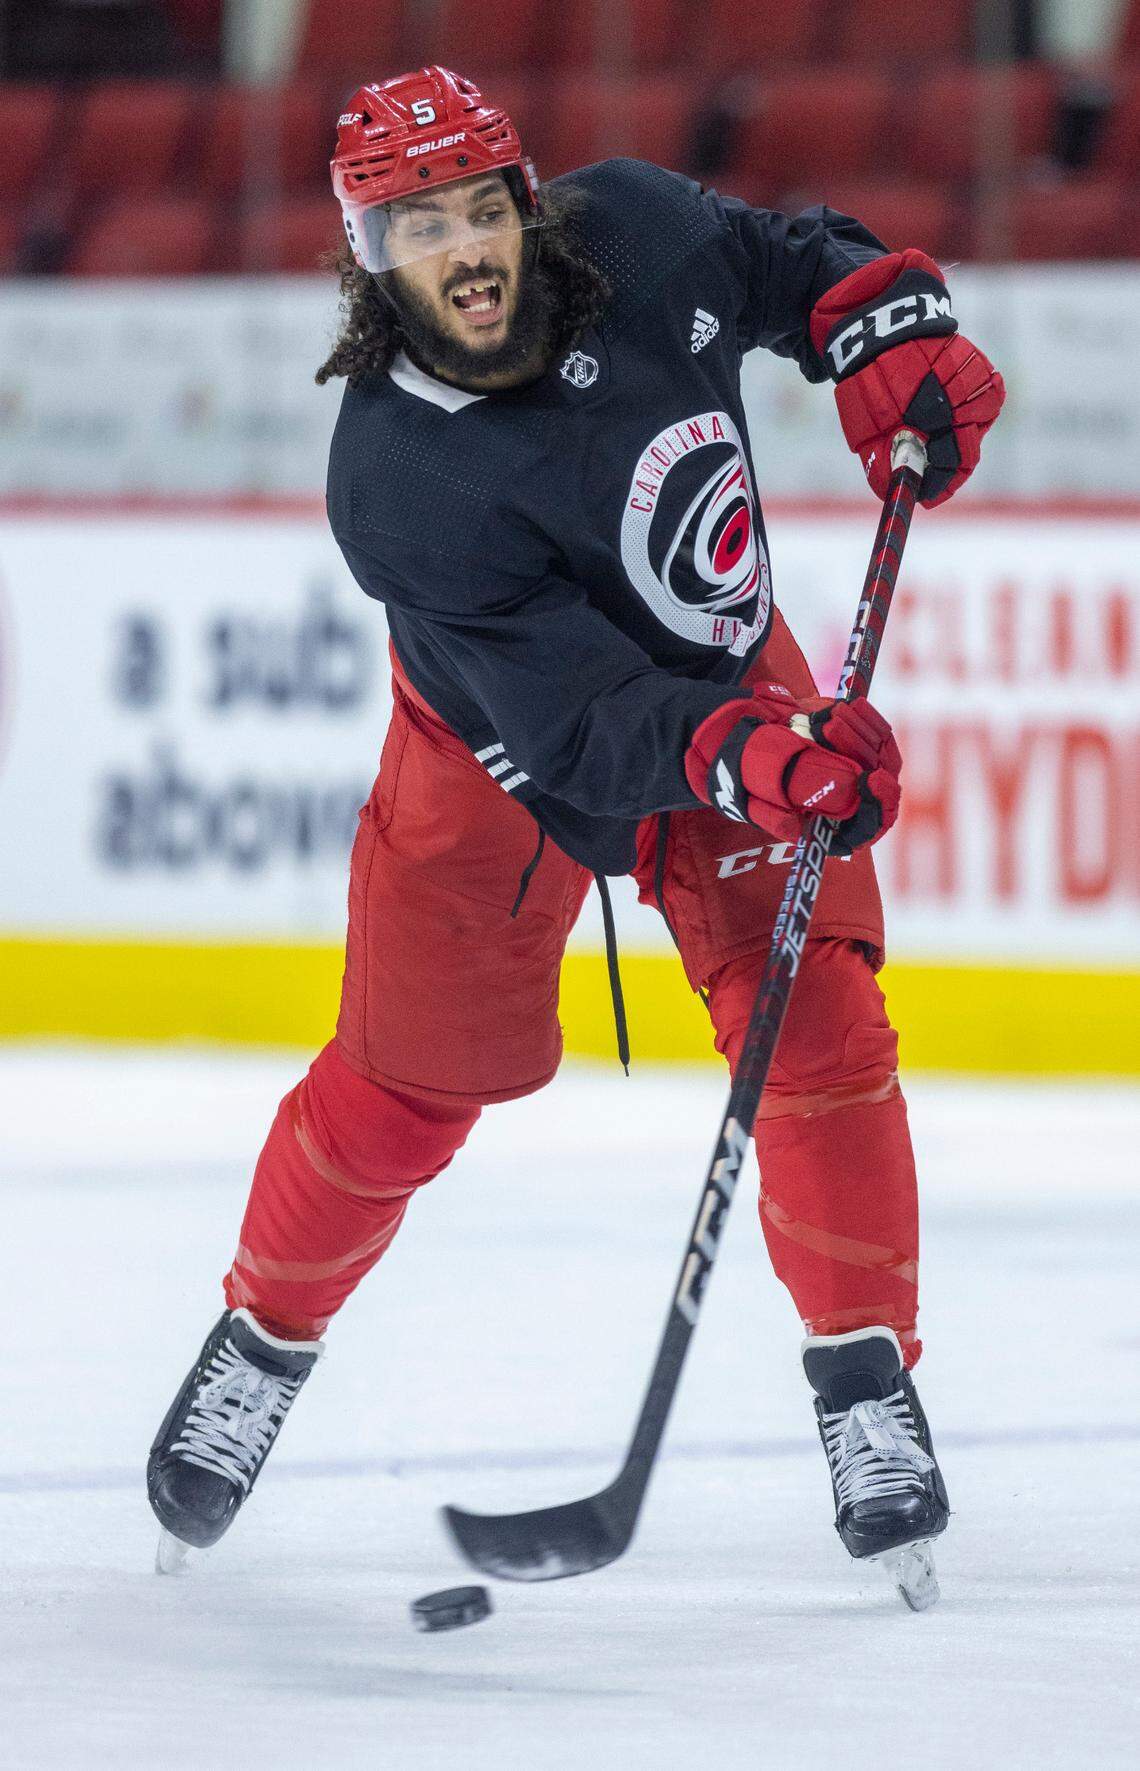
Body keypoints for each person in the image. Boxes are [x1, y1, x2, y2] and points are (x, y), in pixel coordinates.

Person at [148, 66, 1003, 1589]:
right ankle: (263, 1339)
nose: (465, 248)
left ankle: (865, 1381)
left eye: (483, 207)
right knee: (408, 1088)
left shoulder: (644, 232)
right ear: (369, 259)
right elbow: (577, 721)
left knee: (815, 1019)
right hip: (501, 750)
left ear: (528, 206)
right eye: (420, 226)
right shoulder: (397, 478)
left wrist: (885, 325)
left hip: (721, 682)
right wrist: (761, 757)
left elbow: (788, 262)